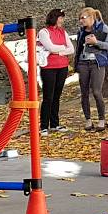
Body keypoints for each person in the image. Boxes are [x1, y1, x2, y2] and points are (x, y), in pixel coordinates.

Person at [36, 8, 75, 136]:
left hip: (62, 67)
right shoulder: (44, 32)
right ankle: (43, 126)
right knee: (48, 97)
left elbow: (71, 49)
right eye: (60, 18)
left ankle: (54, 124)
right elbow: (50, 47)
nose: (62, 20)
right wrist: (63, 48)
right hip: (49, 68)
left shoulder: (63, 32)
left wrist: (58, 51)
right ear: (54, 18)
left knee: (57, 96)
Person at [74, 7, 108, 132]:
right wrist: (76, 63)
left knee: (96, 91)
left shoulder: (102, 28)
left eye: (83, 18)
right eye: (80, 18)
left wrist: (96, 42)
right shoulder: (81, 31)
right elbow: (78, 48)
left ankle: (102, 119)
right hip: (83, 63)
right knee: (84, 93)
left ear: (91, 17)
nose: (81, 20)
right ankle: (88, 119)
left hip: (97, 63)